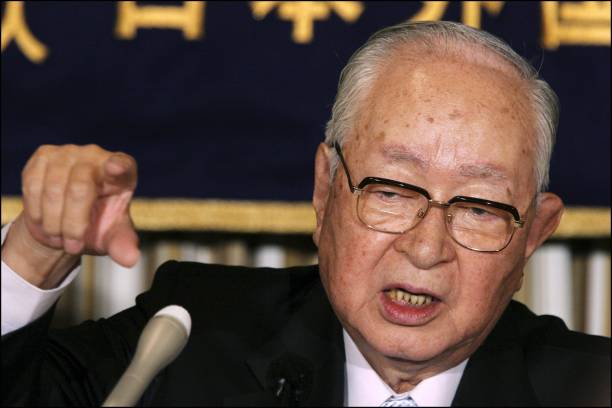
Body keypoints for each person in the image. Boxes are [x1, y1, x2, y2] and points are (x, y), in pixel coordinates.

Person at [1, 20, 609, 407]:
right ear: (324, 190)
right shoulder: (191, 336)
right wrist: (35, 253)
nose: (427, 249)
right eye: (391, 190)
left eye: (479, 206)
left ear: (533, 234)